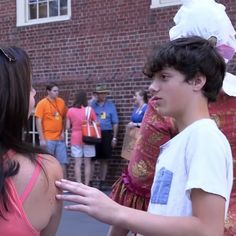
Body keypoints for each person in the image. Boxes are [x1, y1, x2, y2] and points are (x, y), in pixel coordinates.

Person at [56, 36, 233, 236]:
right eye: (153, 79)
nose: (152, 87)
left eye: (164, 77)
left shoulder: (204, 138)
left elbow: (208, 229)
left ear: (197, 81)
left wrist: (117, 212)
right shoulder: (182, 141)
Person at [0, 47, 63, 235]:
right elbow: (39, 120)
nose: (34, 92)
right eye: (29, 86)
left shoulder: (60, 104)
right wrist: (43, 139)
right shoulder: (46, 171)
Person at [109, 97, 176, 236]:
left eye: (136, 96)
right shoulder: (139, 109)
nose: (134, 97)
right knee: (122, 218)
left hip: (152, 168)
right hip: (137, 142)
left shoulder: (147, 107)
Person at [35, 82, 68, 177]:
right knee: (48, 163)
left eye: (57, 91)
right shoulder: (42, 103)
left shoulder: (61, 102)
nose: (57, 93)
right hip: (48, 138)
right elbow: (38, 121)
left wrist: (63, 131)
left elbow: (65, 117)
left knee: (62, 162)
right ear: (48, 91)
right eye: (54, 91)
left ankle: (64, 184)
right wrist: (41, 138)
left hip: (59, 138)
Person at [66, 89, 97, 186]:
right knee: (87, 163)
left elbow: (67, 127)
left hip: (75, 138)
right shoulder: (89, 110)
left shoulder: (70, 111)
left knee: (77, 163)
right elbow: (95, 123)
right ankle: (87, 185)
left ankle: (79, 185)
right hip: (88, 138)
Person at [90, 84, 119, 189]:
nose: (103, 95)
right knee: (92, 159)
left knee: (104, 159)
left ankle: (102, 182)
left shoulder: (111, 105)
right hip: (94, 133)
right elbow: (85, 114)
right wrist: (91, 101)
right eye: (100, 93)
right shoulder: (92, 105)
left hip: (107, 133)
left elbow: (115, 122)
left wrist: (114, 137)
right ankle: (90, 182)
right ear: (96, 94)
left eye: (104, 93)